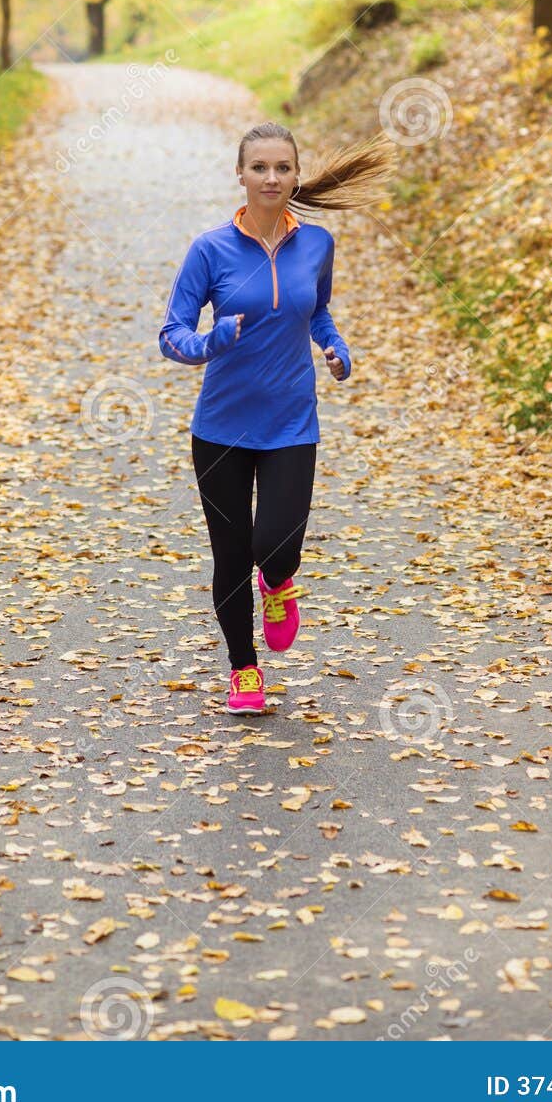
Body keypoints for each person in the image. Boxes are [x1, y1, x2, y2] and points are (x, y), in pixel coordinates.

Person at [158, 121, 397, 713]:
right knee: (231, 554)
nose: (271, 178)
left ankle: (279, 581)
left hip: (292, 420)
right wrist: (211, 343)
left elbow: (318, 313)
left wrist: (335, 348)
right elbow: (172, 334)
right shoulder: (209, 250)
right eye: (259, 167)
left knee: (278, 542)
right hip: (220, 429)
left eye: (282, 168)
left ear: (296, 175)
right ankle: (244, 670)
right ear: (240, 175)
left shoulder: (317, 244)